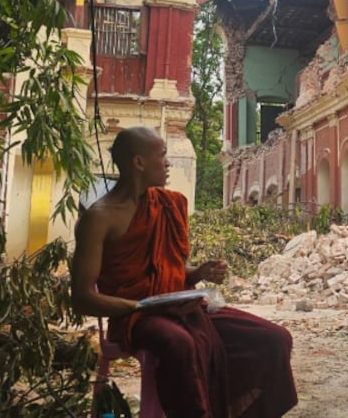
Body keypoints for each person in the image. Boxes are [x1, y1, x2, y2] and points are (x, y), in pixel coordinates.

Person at [71, 126, 297, 418]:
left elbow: (171, 272)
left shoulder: (169, 204)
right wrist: (136, 306)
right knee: (180, 344)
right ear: (138, 163)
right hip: (133, 318)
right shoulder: (98, 218)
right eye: (162, 155)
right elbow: (81, 298)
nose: (168, 163)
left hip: (182, 308)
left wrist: (198, 272)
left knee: (274, 338)